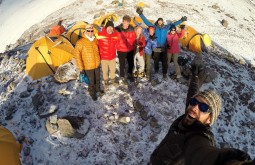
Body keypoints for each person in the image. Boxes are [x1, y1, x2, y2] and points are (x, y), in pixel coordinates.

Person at [149, 57, 253, 164]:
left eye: (203, 108)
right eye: (194, 102)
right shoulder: (190, 113)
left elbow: (203, 153)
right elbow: (193, 91)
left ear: (209, 119)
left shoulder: (198, 137)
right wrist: (195, 76)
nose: (194, 107)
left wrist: (225, 160)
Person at [136, 7, 187, 79]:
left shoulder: (166, 27)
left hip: (163, 47)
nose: (160, 22)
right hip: (156, 47)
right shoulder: (154, 27)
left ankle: (164, 73)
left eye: (161, 21)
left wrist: (181, 20)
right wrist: (141, 14)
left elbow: (174, 24)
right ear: (157, 21)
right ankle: (156, 69)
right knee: (156, 60)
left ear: (162, 22)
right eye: (159, 20)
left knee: (164, 61)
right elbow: (147, 22)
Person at [74, 24, 103, 101]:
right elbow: (77, 56)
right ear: (85, 31)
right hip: (88, 66)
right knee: (91, 81)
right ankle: (92, 92)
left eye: (91, 30)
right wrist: (81, 68)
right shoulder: (80, 42)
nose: (90, 32)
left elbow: (99, 50)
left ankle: (98, 89)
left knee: (97, 79)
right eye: (88, 30)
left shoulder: (95, 40)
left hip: (96, 64)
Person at [97, 21, 119, 87]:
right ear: (106, 28)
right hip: (104, 57)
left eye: (111, 28)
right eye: (108, 27)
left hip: (112, 57)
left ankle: (113, 80)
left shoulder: (116, 35)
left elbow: (119, 43)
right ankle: (106, 81)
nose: (110, 29)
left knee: (113, 70)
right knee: (105, 71)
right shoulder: (99, 35)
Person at [115, 15, 136, 84]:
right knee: (122, 64)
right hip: (121, 50)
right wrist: (117, 45)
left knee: (131, 63)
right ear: (122, 21)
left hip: (130, 49)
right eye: (125, 21)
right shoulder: (117, 29)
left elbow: (134, 38)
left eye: (127, 22)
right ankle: (122, 76)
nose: (126, 23)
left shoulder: (132, 29)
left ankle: (130, 74)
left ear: (129, 23)